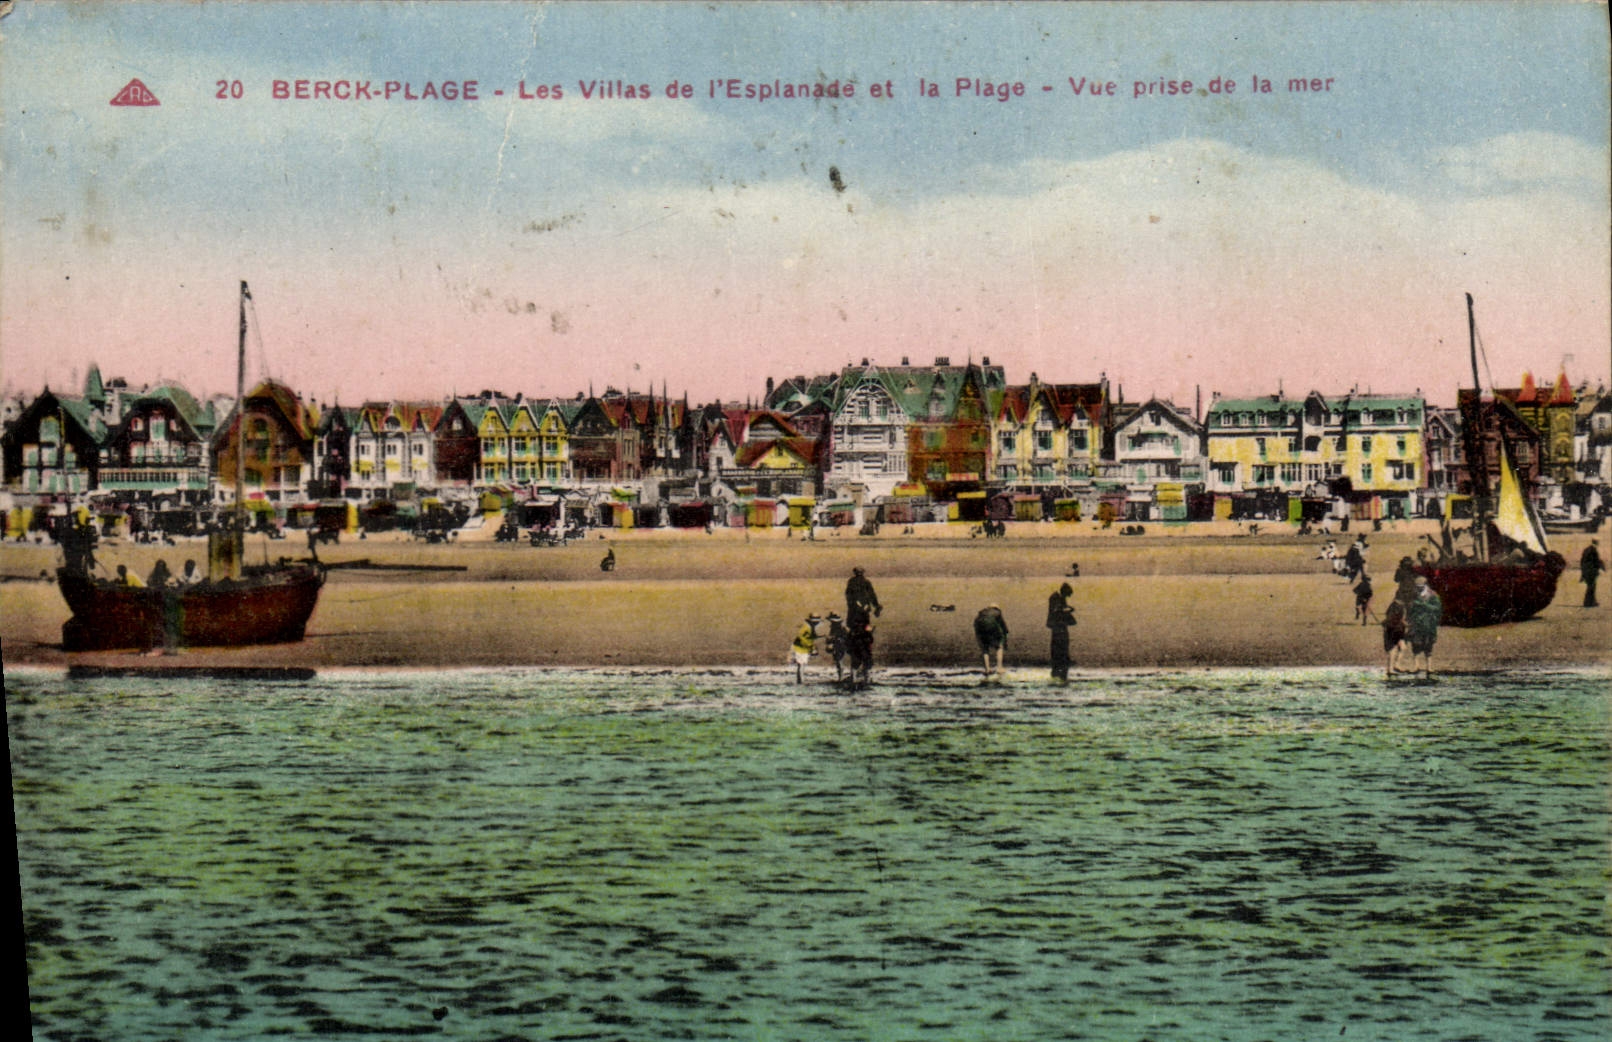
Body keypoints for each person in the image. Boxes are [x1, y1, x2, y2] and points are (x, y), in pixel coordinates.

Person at [845, 567, 881, 683]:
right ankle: (866, 678)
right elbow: (872, 595)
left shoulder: (852, 582)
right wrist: (875, 606)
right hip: (862, 616)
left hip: (855, 617)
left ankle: (854, 677)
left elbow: (848, 597)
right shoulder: (865, 582)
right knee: (866, 642)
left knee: (855, 645)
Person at [1406, 575, 1443, 678]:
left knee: (1428, 645)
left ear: (1425, 585)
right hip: (1416, 624)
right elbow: (1410, 609)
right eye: (1417, 587)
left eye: (1421, 587)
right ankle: (1416, 666)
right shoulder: (1413, 595)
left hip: (1429, 623)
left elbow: (1437, 608)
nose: (1419, 589)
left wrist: (1424, 605)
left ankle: (1429, 667)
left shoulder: (1433, 595)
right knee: (1415, 645)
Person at [1046, 582, 1076, 683]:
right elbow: (1057, 611)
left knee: (1059, 648)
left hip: (1058, 627)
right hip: (1058, 627)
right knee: (1059, 648)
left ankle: (1058, 670)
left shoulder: (1057, 597)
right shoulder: (1056, 597)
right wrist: (1068, 611)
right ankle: (1059, 671)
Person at [973, 603, 1009, 678]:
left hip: (980, 630)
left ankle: (987, 669)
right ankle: (999, 668)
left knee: (985, 650)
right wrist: (1004, 639)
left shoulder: (981, 613)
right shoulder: (997, 612)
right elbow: (1003, 626)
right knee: (999, 647)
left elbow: (975, 624)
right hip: (992, 629)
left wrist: (979, 637)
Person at [790, 614, 821, 683]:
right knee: (801, 664)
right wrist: (812, 647)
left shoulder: (810, 628)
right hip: (800, 648)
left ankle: (800, 680)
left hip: (802, 647)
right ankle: (800, 681)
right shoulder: (807, 628)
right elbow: (803, 638)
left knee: (801, 665)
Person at [1382, 599, 1409, 676]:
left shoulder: (1394, 606)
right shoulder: (1398, 607)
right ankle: (1390, 669)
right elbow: (1399, 619)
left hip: (1395, 630)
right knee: (1393, 650)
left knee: (1402, 647)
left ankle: (1395, 666)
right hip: (1395, 631)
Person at [825, 613, 849, 680]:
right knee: (839, 661)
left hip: (839, 646)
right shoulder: (839, 628)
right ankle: (840, 677)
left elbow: (844, 637)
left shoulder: (839, 628)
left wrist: (831, 639)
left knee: (839, 661)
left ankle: (840, 677)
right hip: (839, 646)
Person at [1580, 539, 1602, 608]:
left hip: (1586, 571)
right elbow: (1596, 561)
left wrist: (1583, 572)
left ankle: (1590, 602)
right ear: (1597, 542)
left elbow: (1582, 561)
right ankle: (1589, 602)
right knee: (1592, 587)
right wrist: (1600, 568)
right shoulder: (1594, 550)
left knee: (1590, 586)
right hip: (1592, 571)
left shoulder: (1586, 549)